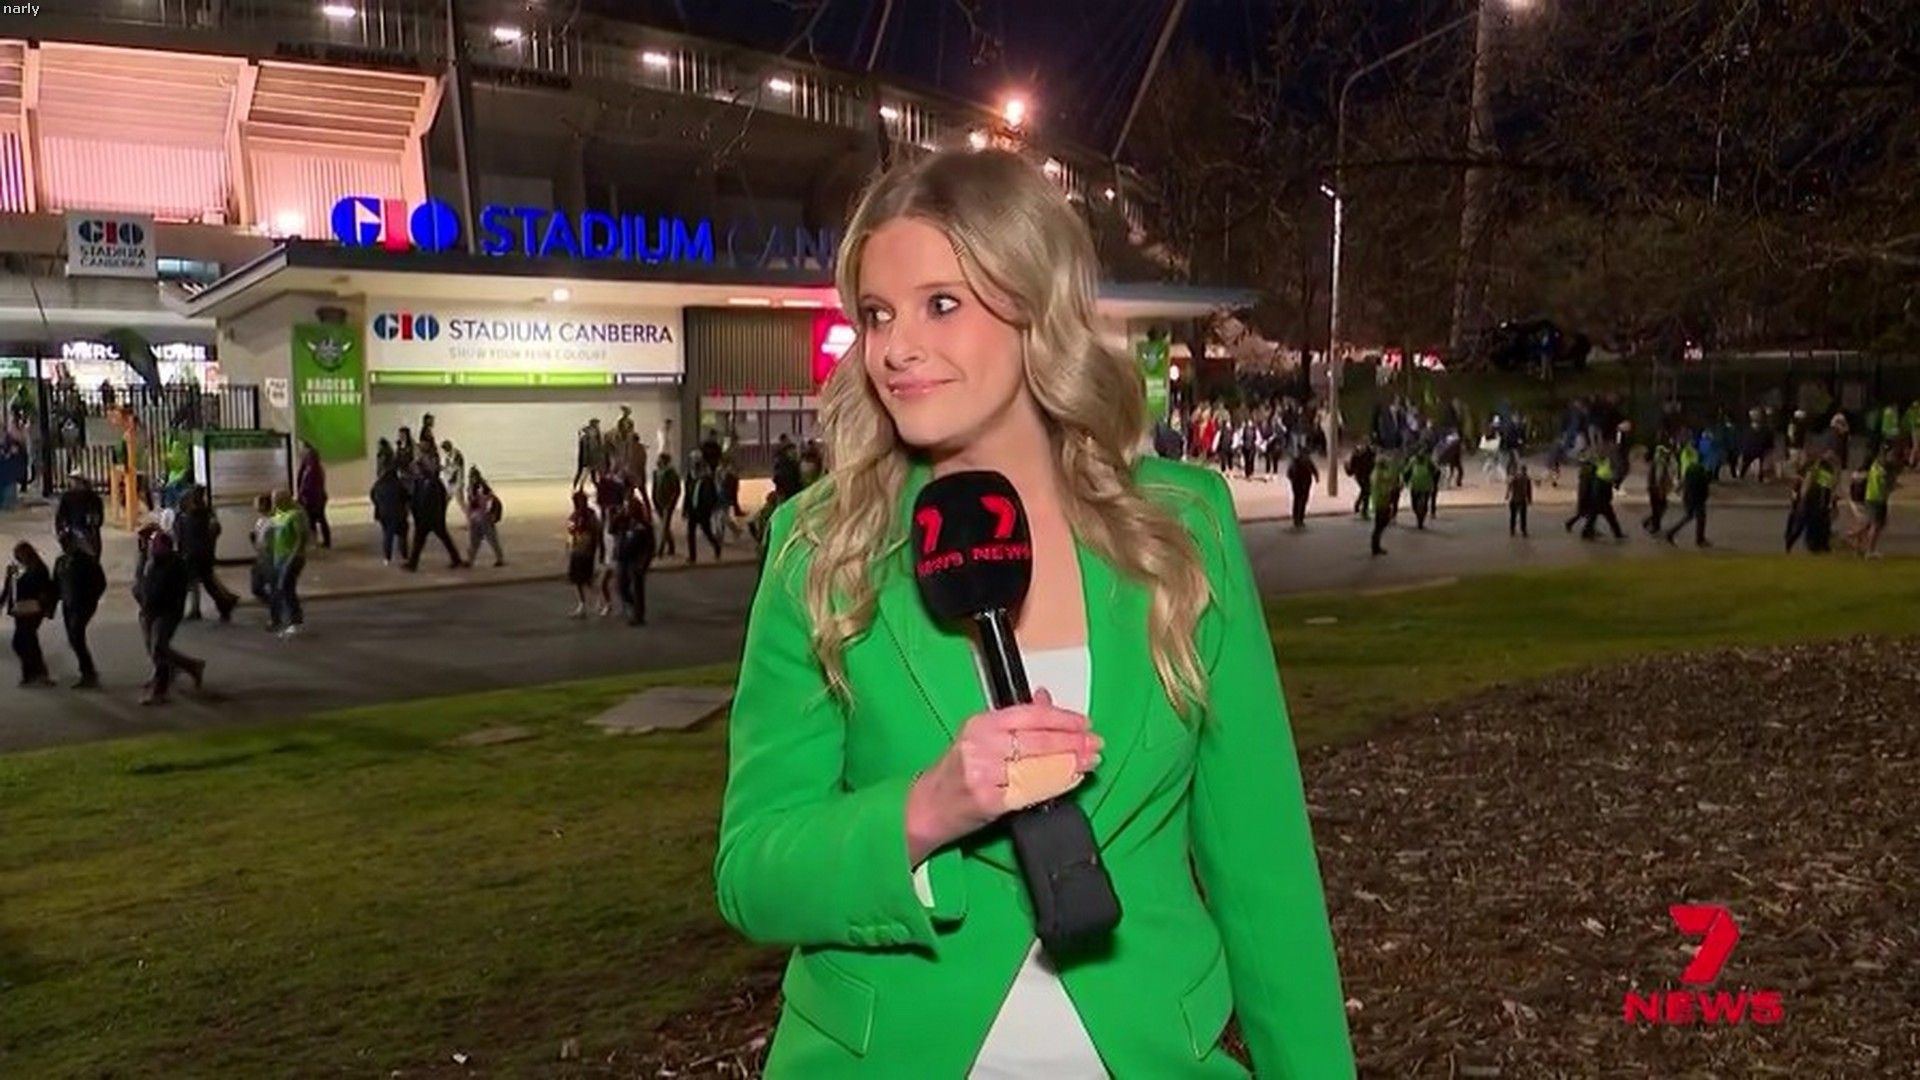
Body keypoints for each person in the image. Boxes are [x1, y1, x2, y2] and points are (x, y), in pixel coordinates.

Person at [714, 150, 1355, 1079]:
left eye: (941, 304)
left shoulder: (1182, 530)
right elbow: (753, 871)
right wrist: (926, 810)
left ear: (1034, 309)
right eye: (877, 314)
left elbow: (1267, 874)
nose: (895, 348)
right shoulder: (822, 550)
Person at [135, 530, 203, 705]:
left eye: (154, 544)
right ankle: (191, 666)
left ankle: (160, 691)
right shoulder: (148, 561)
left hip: (166, 612)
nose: (150, 547)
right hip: (149, 610)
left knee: (159, 648)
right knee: (155, 648)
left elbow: (174, 590)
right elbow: (140, 580)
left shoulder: (175, 564)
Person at [172, 485, 238, 622]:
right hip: (205, 553)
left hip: (192, 553)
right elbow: (215, 532)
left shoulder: (187, 517)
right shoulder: (206, 513)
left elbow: (182, 537)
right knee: (208, 581)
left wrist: (182, 553)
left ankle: (202, 607)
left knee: (194, 582)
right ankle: (224, 602)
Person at [53, 531, 105, 688]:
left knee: (76, 637)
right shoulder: (61, 561)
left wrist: (91, 598)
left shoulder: (86, 561)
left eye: (66, 542)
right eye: (62, 542)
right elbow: (56, 583)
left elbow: (100, 582)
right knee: (73, 638)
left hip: (83, 604)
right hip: (68, 604)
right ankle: (87, 670)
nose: (64, 545)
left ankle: (88, 673)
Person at [4, 541, 56, 687]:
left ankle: (36, 673)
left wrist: (45, 608)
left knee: (24, 642)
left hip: (32, 611)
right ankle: (32, 674)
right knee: (25, 642)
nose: (17, 558)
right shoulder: (19, 569)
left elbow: (42, 590)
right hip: (20, 610)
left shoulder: (38, 569)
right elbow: (9, 589)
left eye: (19, 555)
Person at [404, 462, 465, 572]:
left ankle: (456, 559)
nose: (414, 472)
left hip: (434, 517)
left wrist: (441, 515)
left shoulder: (435, 482)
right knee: (418, 541)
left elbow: (442, 500)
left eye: (415, 470)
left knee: (444, 539)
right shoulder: (418, 482)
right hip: (423, 518)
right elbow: (415, 500)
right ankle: (412, 564)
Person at [268, 490, 311, 637]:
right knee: (283, 588)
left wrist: (293, 557)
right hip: (279, 556)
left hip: (291, 557)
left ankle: (295, 619)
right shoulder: (280, 513)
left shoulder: (296, 514)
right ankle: (288, 618)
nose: (275, 504)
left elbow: (300, 537)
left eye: (277, 501)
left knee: (286, 587)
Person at [565, 491, 606, 618]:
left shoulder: (590, 515)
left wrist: (600, 549)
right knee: (577, 580)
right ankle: (582, 604)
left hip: (586, 551)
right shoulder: (575, 515)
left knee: (587, 579)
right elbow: (570, 531)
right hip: (577, 549)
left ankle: (601, 600)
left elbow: (597, 532)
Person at [370, 464, 411, 566]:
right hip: (398, 513)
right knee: (402, 534)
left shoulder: (378, 485)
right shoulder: (398, 484)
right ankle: (404, 555)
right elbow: (406, 496)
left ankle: (387, 557)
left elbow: (373, 496)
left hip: (383, 514)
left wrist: (379, 504)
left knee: (387, 535)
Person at [465, 469, 506, 567]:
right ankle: (470, 560)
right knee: (475, 541)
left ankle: (499, 558)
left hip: (483, 518)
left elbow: (492, 501)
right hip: (476, 518)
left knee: (490, 539)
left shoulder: (482, 489)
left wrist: (492, 514)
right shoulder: (472, 489)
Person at [297, 442, 331, 548]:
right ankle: (323, 541)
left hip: (314, 499)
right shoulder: (314, 468)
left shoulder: (312, 470)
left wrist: (303, 496)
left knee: (314, 520)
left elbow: (309, 486)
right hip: (318, 498)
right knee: (319, 519)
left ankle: (317, 541)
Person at [652, 451, 681, 558]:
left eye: (660, 459)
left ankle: (660, 550)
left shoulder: (671, 473)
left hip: (667, 503)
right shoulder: (656, 472)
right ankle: (671, 546)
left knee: (664, 526)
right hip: (659, 502)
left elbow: (676, 489)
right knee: (665, 526)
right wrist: (654, 500)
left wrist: (672, 502)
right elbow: (655, 487)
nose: (658, 461)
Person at [1285, 448, 1318, 529]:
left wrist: (1292, 480)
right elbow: (1314, 470)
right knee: (1303, 501)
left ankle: (1296, 518)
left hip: (1297, 483)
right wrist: (1316, 478)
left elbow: (1288, 473)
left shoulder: (1295, 461)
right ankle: (1300, 518)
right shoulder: (1307, 461)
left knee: (1297, 500)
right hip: (1305, 483)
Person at [1507, 463, 1534, 537]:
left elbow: (1510, 486)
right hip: (1519, 499)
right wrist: (1529, 499)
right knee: (1521, 516)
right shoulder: (1523, 478)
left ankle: (1515, 530)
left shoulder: (1519, 478)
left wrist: (1507, 494)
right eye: (1523, 470)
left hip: (1517, 499)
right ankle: (1521, 530)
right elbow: (1528, 490)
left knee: (1515, 516)